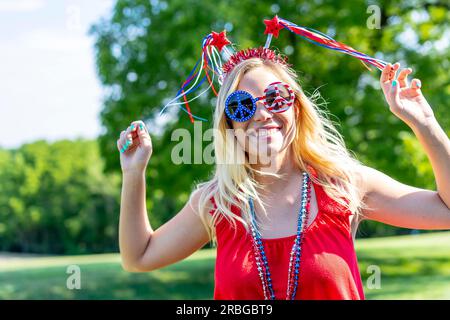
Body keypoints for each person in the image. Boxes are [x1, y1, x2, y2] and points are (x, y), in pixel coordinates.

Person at [116, 51, 450, 299]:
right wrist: (134, 174)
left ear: (297, 107)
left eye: (276, 98)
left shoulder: (344, 185)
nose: (262, 113)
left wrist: (423, 122)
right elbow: (139, 257)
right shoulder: (218, 202)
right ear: (228, 124)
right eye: (242, 106)